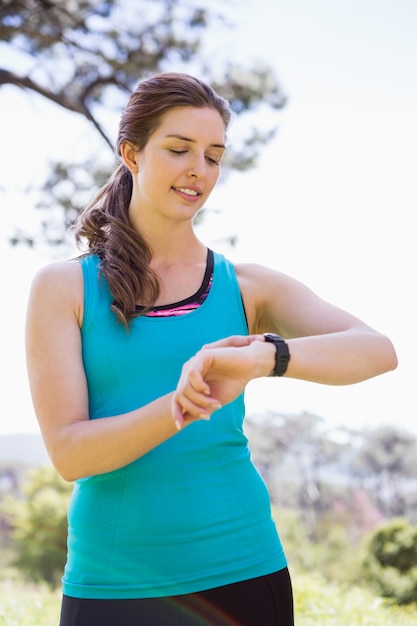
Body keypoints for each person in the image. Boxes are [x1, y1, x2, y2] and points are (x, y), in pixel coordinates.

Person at [25, 72, 397, 626]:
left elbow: (377, 351)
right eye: (179, 149)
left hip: (245, 575)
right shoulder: (63, 288)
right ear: (131, 153)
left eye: (214, 155)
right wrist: (185, 402)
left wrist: (265, 357)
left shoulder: (246, 286)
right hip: (113, 586)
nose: (199, 169)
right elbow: (71, 454)